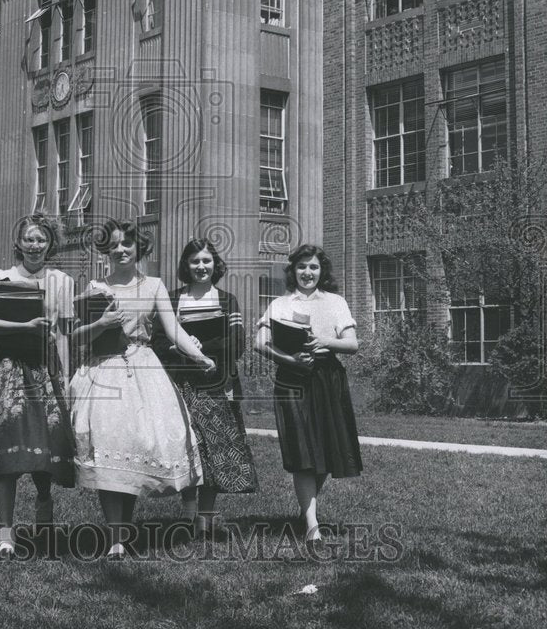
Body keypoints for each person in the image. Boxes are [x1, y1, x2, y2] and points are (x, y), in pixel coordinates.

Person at [70, 219, 216, 559]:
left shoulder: (153, 286)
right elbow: (74, 336)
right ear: (106, 250)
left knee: (133, 445)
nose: (121, 250)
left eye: (127, 245)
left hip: (142, 369)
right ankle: (115, 538)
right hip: (102, 371)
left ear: (139, 249)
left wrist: (198, 356)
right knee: (108, 447)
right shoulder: (92, 287)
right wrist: (100, 324)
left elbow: (174, 328)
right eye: (114, 246)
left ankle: (124, 528)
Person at [0, 214, 75, 559]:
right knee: (7, 452)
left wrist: (64, 375)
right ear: (18, 243)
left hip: (44, 369)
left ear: (51, 243)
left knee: (43, 448)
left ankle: (44, 499)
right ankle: (6, 533)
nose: (35, 246)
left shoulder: (62, 281)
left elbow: (64, 333)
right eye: (29, 239)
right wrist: (22, 327)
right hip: (6, 369)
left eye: (41, 239)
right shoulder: (2, 277)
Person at [254, 244, 362, 549]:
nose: (307, 273)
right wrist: (291, 360)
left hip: (327, 378)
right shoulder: (280, 304)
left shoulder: (335, 302)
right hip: (291, 380)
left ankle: (307, 511)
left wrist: (324, 341)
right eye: (301, 267)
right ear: (293, 270)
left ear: (321, 271)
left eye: (313, 267)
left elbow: (352, 344)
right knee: (302, 452)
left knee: (326, 450)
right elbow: (259, 343)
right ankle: (312, 523)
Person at [154, 237, 258, 537]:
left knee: (214, 450)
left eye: (206, 261)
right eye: (195, 261)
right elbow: (158, 341)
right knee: (187, 448)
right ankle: (188, 511)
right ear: (186, 266)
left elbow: (236, 343)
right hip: (180, 385)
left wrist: (202, 349)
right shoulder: (172, 300)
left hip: (216, 384)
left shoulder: (227, 301)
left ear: (215, 264)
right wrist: (183, 348)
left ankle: (206, 516)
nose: (201, 267)